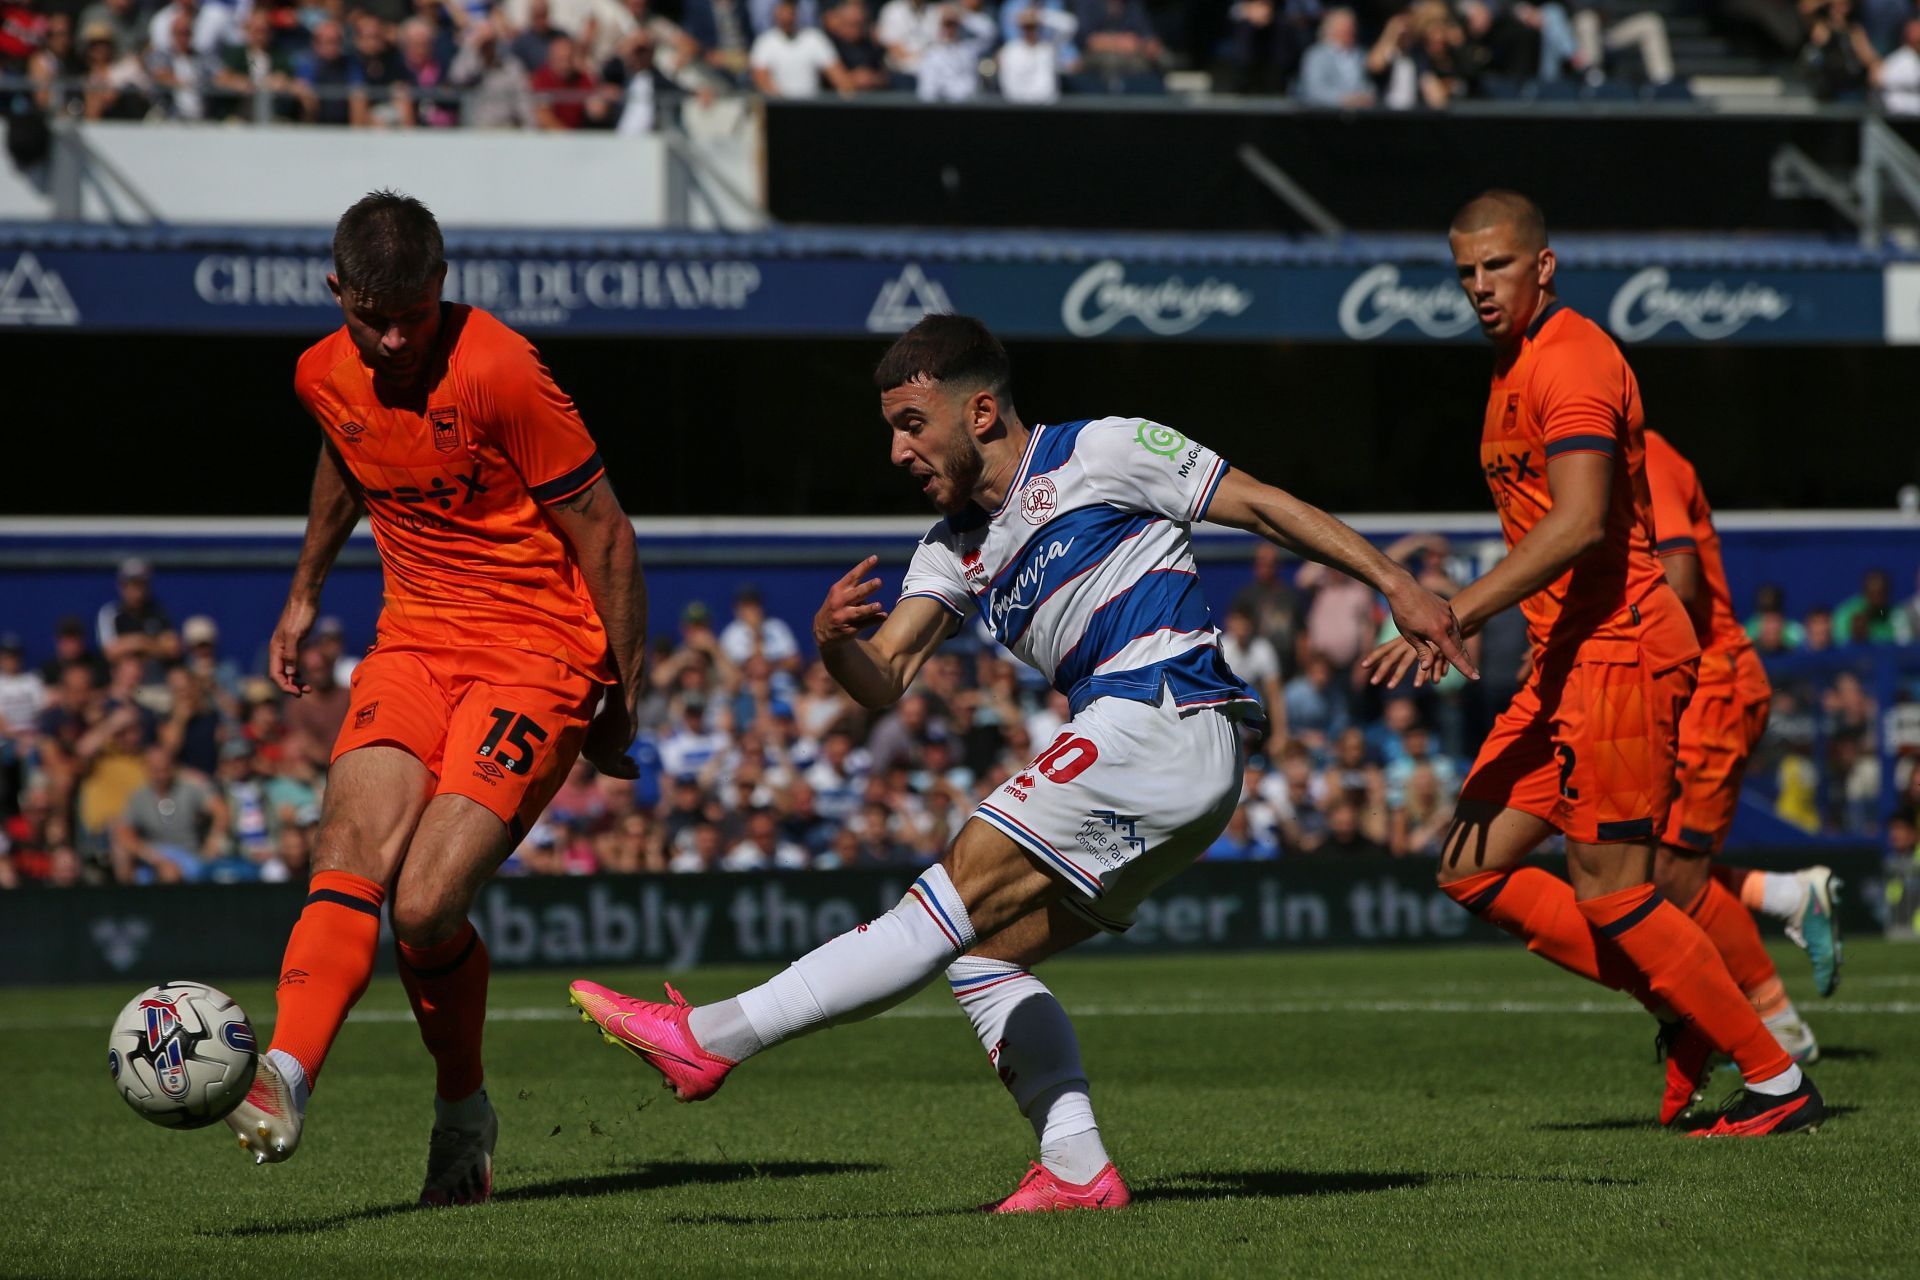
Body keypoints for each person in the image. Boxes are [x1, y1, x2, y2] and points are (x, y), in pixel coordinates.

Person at [570, 313, 1470, 1212]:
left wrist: (1395, 584)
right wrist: (832, 643)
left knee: (940, 902)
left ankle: (711, 1038)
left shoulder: (1106, 450)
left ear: (984, 413)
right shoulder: (954, 548)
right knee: (984, 955)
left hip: (1159, 711)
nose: (895, 451)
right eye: (890, 428)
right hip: (1171, 755)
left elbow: (1266, 505)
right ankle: (1076, 1165)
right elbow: (882, 677)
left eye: (912, 425)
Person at [219, 192, 650, 1210]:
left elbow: (607, 531)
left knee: (422, 904)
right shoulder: (321, 373)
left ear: (442, 285)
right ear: (339, 297)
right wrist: (305, 593)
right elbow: (346, 454)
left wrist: (625, 696)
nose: (397, 335)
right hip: (412, 638)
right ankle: (284, 1072)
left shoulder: (501, 369)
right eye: (374, 315)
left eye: (414, 310)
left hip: (537, 651)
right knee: (349, 851)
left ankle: (464, 1106)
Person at [1365, 190, 1824, 1138]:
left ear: (1544, 264)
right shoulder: (1511, 368)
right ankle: (1679, 1005)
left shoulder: (1571, 357)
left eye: (1496, 266)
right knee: (1469, 866)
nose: (1479, 287)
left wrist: (1450, 612)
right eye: (1464, 273)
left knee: (1615, 886)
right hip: (1564, 657)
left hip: (1616, 652)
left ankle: (1777, 1080)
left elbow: (1578, 525)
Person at [1643, 427, 1838, 1064]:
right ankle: (1784, 896)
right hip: (1684, 681)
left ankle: (1777, 1022)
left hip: (1710, 682)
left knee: (1670, 872)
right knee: (1640, 867)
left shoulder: (1646, 458)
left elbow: (1681, 580)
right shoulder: (1601, 468)